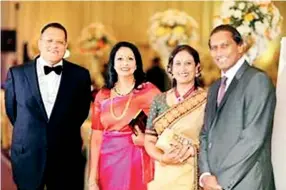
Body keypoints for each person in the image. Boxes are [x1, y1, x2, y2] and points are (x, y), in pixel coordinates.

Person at [5, 22, 91, 190]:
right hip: (28, 154)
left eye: (59, 42)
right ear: (40, 43)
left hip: (66, 156)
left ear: (66, 45)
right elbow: (12, 111)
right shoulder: (17, 73)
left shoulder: (80, 75)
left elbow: (81, 113)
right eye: (49, 40)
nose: (54, 46)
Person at [199, 24, 276, 190]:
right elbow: (205, 133)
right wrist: (205, 175)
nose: (218, 52)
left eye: (224, 46)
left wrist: (220, 181)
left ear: (240, 47)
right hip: (213, 182)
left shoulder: (257, 80)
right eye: (214, 48)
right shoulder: (214, 87)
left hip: (247, 182)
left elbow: (253, 139)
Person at [88, 41, 160, 190]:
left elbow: (168, 125)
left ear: (136, 64)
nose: (125, 63)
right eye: (120, 59)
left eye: (130, 59)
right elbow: (96, 138)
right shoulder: (103, 95)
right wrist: (92, 177)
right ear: (113, 64)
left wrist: (146, 141)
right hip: (107, 164)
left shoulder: (149, 91)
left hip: (136, 162)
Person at [144, 45, 207, 190]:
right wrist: (162, 158)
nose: (183, 68)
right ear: (170, 69)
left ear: (197, 68)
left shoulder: (207, 100)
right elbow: (149, 139)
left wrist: (193, 150)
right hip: (164, 173)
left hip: (194, 171)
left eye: (188, 63)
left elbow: (214, 139)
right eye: (178, 63)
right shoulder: (159, 100)